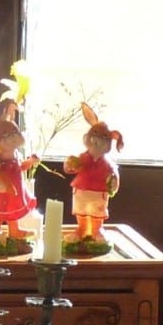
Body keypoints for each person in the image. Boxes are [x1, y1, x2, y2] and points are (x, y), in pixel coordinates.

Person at [0, 100, 39, 243]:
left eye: (14, 132)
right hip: (0, 192)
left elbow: (20, 167)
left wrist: (30, 161)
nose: (12, 137)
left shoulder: (15, 156)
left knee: (13, 211)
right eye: (6, 134)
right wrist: (0, 184)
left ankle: (15, 231)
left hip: (15, 191)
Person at [62, 104, 123, 246]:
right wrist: (69, 165)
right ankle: (82, 229)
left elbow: (113, 174)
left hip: (99, 191)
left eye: (103, 137)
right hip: (82, 189)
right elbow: (73, 167)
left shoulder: (107, 163)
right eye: (94, 134)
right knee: (82, 210)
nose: (96, 140)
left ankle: (96, 230)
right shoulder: (83, 158)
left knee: (97, 212)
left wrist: (114, 182)